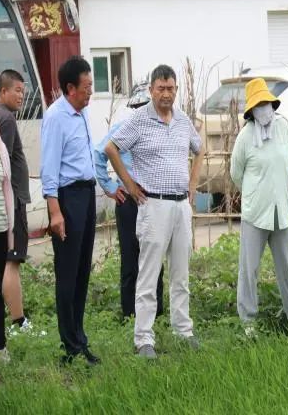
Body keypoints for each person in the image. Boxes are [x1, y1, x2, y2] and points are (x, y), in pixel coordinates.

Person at [105, 64, 204, 359]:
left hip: (180, 205)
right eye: (161, 88)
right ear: (151, 90)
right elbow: (111, 148)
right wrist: (129, 184)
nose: (166, 94)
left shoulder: (183, 120)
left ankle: (183, 330)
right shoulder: (139, 120)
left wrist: (193, 183)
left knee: (181, 274)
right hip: (153, 204)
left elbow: (199, 149)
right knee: (148, 274)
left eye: (171, 88)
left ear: (176, 89)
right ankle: (144, 338)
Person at [40, 56, 99, 366]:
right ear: (70, 88)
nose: (90, 91)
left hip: (87, 194)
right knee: (68, 272)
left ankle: (79, 338)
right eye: (86, 86)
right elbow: (49, 169)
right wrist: (55, 212)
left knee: (82, 270)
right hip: (68, 198)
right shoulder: (56, 117)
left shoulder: (82, 113)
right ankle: (70, 346)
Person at [230, 78, 288, 335]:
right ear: (251, 110)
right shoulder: (245, 137)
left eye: (266, 103)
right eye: (258, 105)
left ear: (272, 104)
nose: (263, 109)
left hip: (282, 211)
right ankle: (248, 323)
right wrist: (255, 193)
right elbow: (236, 174)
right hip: (255, 212)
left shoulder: (284, 129)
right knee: (249, 270)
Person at [94, 83, 164, 319]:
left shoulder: (161, 130)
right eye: (138, 106)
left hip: (153, 199)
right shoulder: (122, 129)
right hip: (128, 200)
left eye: (146, 105)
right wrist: (110, 187)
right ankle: (129, 312)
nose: (142, 110)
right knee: (130, 257)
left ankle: (156, 311)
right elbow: (100, 153)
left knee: (154, 255)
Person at [0, 70, 31, 331]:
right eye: (17, 90)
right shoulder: (5, 118)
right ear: (3, 91)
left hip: (6, 201)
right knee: (12, 259)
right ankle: (19, 321)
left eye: (23, 91)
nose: (22, 96)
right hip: (12, 199)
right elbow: (4, 165)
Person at [0, 121, 15, 363]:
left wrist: (11, 232)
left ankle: (0, 347)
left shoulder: (1, 152)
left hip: (0, 230)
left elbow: (7, 191)